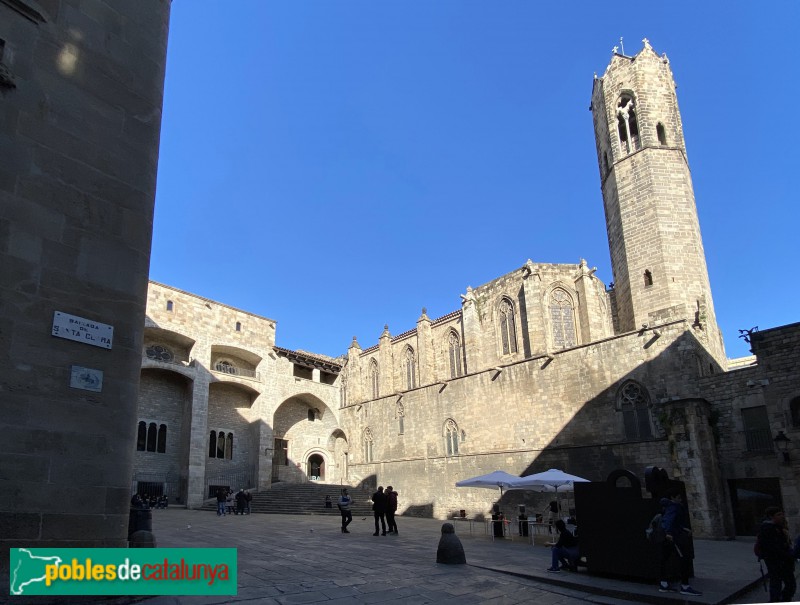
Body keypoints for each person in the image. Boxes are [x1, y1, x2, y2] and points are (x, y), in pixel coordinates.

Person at [658, 489, 702, 596]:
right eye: (678, 497)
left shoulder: (667, 506)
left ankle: (664, 584)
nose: (680, 499)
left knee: (665, 558)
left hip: (669, 536)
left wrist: (683, 528)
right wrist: (668, 532)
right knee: (684, 559)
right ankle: (685, 586)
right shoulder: (674, 506)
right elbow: (668, 520)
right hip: (674, 537)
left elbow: (673, 521)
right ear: (673, 498)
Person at [758, 506, 796, 602]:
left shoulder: (779, 527)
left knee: (789, 584)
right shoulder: (767, 529)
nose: (782, 516)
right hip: (776, 562)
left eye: (782, 514)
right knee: (778, 584)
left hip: (783, 561)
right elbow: (773, 547)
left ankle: (782, 599)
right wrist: (788, 554)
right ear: (771, 517)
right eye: (778, 514)